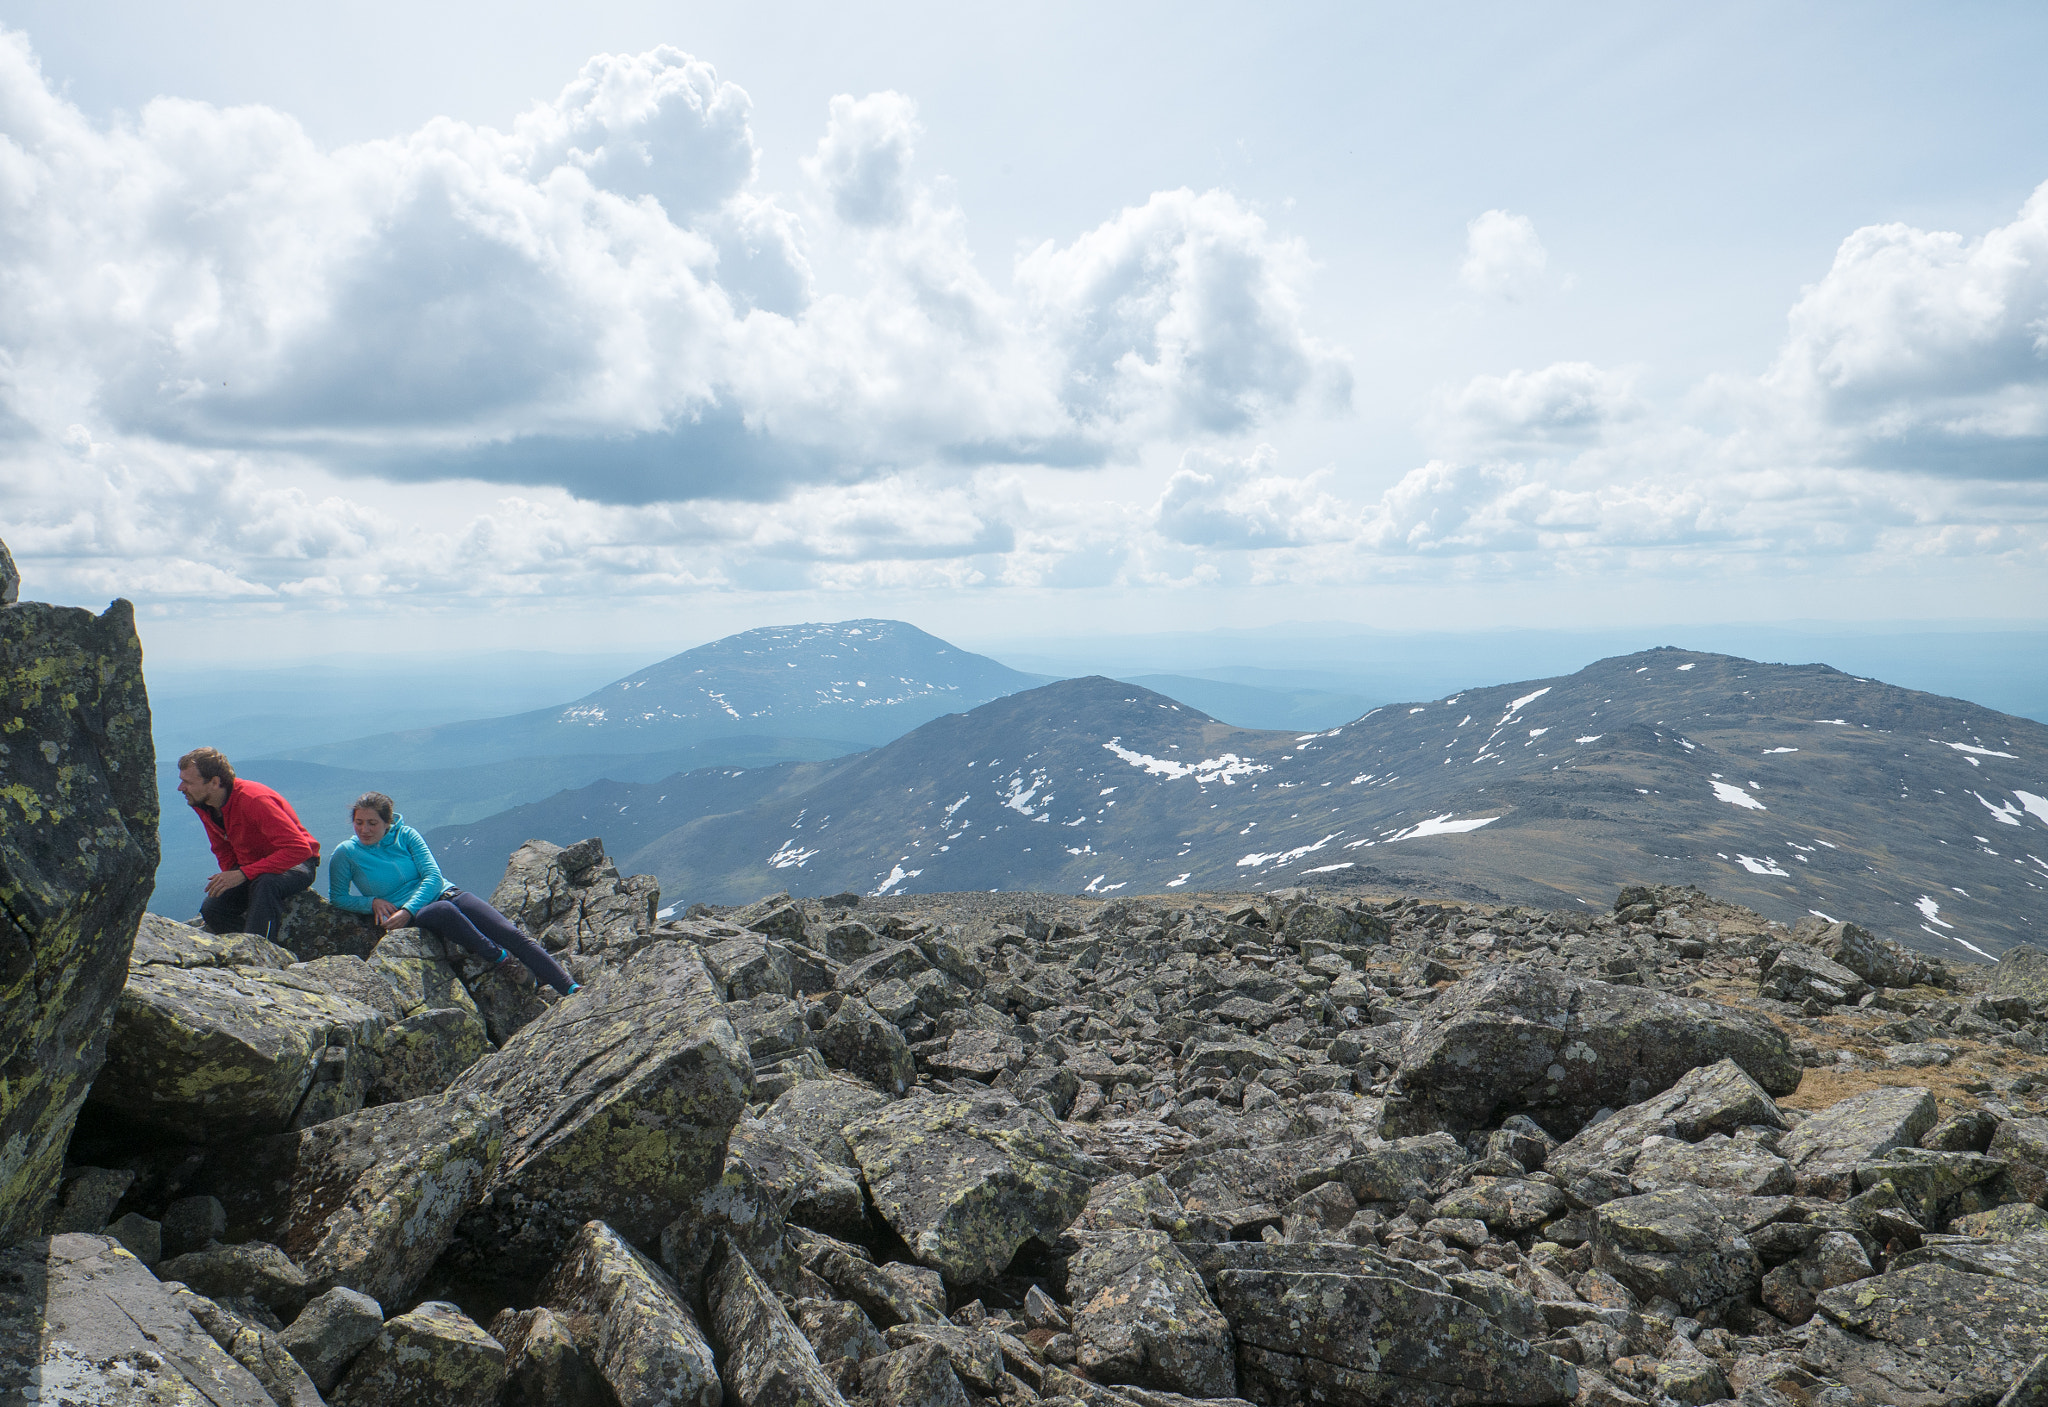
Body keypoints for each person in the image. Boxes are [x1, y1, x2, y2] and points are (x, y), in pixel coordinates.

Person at [328, 791, 579, 996]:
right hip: (425, 912)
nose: (364, 829)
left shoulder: (406, 835)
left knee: (509, 932)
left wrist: (408, 910)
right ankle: (502, 959)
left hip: (444, 894)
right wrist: (371, 902)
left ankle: (569, 986)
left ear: (387, 823)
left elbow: (433, 876)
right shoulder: (346, 853)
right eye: (359, 822)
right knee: (443, 911)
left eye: (372, 823)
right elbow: (338, 897)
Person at [177, 747, 320, 941]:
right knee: (212, 909)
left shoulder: (253, 800)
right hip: (253, 865)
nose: (181, 788)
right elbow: (222, 849)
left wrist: (243, 874)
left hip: (296, 863)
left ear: (214, 782)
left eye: (187, 782)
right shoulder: (205, 804)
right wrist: (231, 878)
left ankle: (260, 952)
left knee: (266, 884)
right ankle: (249, 944)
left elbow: (299, 849)